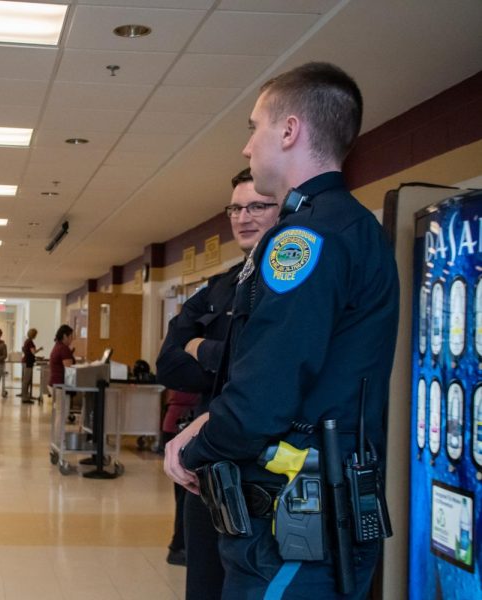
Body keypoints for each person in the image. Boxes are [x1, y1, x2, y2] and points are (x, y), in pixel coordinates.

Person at [164, 62, 399, 599]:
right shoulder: (350, 227)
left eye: (255, 127)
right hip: (313, 512)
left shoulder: (305, 241)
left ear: (289, 131)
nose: (248, 147)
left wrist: (192, 452)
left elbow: (264, 395)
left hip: (296, 523)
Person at [155, 168, 280, 591]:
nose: (243, 217)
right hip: (207, 467)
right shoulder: (221, 286)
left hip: (266, 471)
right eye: (236, 208)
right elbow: (169, 363)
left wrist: (203, 349)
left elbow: (266, 368)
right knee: (204, 584)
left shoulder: (291, 281)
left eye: (258, 206)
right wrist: (222, 355)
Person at [20, 328, 41, 404]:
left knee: (26, 380)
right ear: (33, 334)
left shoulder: (27, 341)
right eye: (36, 334)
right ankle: (25, 398)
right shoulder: (30, 342)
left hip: (26, 362)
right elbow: (33, 352)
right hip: (28, 362)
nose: (36, 335)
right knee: (26, 381)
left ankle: (25, 396)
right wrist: (40, 349)